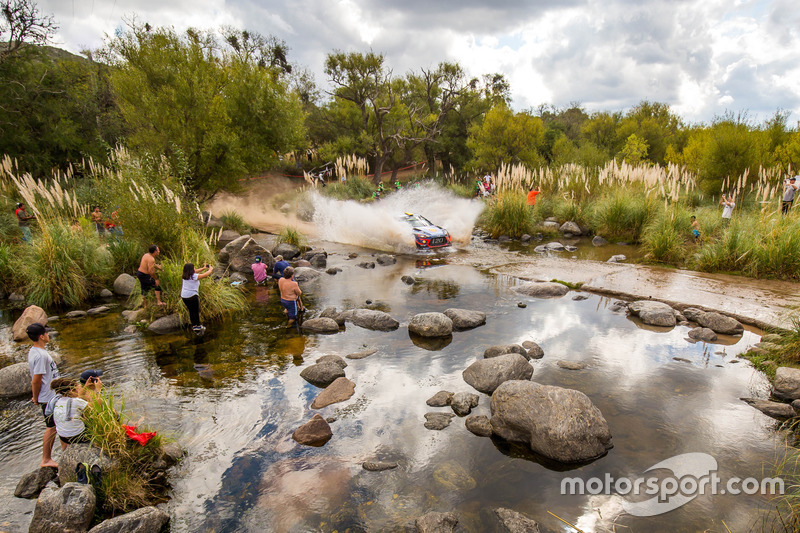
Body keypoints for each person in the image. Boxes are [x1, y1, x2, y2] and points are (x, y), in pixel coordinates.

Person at [27, 323, 60, 468]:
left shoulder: (35, 351)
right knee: (51, 427)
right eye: (46, 333)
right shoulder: (40, 356)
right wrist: (36, 397)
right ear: (41, 336)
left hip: (51, 395)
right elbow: (36, 379)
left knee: (57, 424)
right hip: (47, 397)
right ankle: (46, 459)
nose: (48, 334)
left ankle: (65, 451)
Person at [48, 373, 102, 448]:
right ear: (71, 391)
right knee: (95, 417)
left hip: (63, 437)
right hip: (77, 436)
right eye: (77, 388)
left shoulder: (59, 400)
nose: (79, 388)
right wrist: (98, 390)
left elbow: (78, 398)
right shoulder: (76, 401)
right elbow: (97, 405)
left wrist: (85, 387)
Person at [181, 262, 214, 334]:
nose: (195, 269)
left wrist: (203, 268)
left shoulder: (184, 275)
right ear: (191, 269)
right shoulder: (194, 276)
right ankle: (198, 327)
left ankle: (194, 326)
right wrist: (210, 269)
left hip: (184, 296)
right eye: (193, 267)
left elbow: (195, 271)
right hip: (192, 296)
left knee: (191, 311)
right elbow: (205, 275)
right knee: (195, 311)